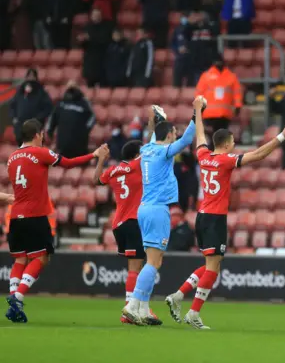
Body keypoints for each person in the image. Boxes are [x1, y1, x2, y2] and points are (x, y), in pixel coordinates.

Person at [165, 98, 285, 329]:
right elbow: (258, 155)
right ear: (226, 144)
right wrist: (282, 136)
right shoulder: (226, 161)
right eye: (233, 140)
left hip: (202, 215)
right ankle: (193, 313)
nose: (235, 143)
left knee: (209, 265)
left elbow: (201, 136)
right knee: (213, 269)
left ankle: (178, 295)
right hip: (215, 218)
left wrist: (197, 110)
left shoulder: (203, 156)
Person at [5, 119, 106, 323]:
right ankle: (17, 296)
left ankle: (14, 301)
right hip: (35, 215)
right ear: (36, 135)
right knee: (41, 258)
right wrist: (94, 155)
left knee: (19, 259)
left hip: (15, 216)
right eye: (42, 135)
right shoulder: (40, 153)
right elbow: (67, 163)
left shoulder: (12, 157)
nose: (43, 138)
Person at [121, 104, 197, 326]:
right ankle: (132, 305)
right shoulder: (164, 151)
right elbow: (186, 141)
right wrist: (196, 115)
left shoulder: (146, 149)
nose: (176, 136)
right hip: (157, 209)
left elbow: (156, 135)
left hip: (145, 208)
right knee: (153, 262)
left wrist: (157, 120)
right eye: (174, 133)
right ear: (170, 135)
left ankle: (143, 309)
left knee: (154, 260)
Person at [93, 140, 160, 325]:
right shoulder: (137, 165)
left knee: (136, 267)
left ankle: (137, 307)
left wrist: (101, 160)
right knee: (136, 268)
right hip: (133, 221)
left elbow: (96, 180)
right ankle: (130, 309)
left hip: (118, 224)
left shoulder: (113, 170)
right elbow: (152, 150)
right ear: (138, 154)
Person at [47, 81, 96, 158]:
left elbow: (92, 117)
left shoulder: (84, 103)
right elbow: (52, 119)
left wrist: (84, 131)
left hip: (80, 147)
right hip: (63, 146)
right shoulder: (61, 104)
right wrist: (50, 131)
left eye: (73, 87)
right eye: (69, 88)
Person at [195, 58, 242, 139]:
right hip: (210, 115)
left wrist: (238, 106)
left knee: (220, 138)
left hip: (224, 114)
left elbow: (237, 93)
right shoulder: (206, 76)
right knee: (214, 138)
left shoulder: (231, 76)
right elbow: (199, 94)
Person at [9, 69, 53, 145]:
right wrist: (14, 118)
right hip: (20, 128)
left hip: (34, 129)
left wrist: (37, 119)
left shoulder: (41, 92)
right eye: (29, 76)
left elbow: (48, 108)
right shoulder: (20, 91)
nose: (30, 78)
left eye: (32, 76)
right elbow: (12, 105)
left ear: (36, 78)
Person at [79, 8, 114, 87]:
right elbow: (84, 46)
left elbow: (105, 41)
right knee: (90, 86)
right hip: (90, 62)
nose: (96, 17)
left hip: (101, 61)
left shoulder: (106, 27)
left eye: (98, 15)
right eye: (94, 15)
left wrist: (90, 38)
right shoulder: (87, 27)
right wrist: (83, 40)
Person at [171, 12, 194, 87]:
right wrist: (177, 50)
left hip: (190, 58)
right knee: (177, 81)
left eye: (186, 17)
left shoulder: (192, 29)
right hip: (179, 58)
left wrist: (189, 49)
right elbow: (172, 43)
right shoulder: (177, 29)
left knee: (190, 81)